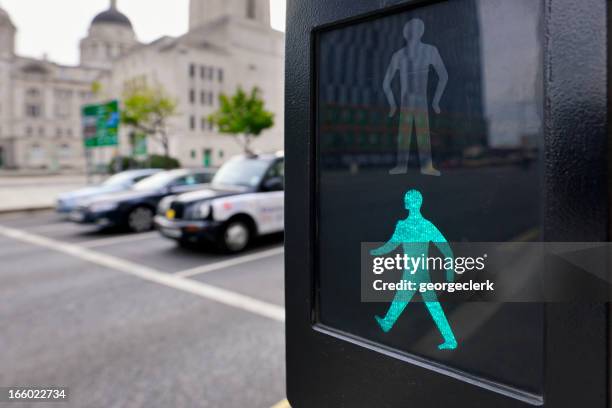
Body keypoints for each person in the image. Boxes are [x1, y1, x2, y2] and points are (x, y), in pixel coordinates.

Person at [370, 189, 457, 349]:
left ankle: (388, 323)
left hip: (414, 272)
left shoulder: (404, 226)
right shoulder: (425, 225)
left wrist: (376, 252)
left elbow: (390, 245)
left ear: (410, 204)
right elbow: (447, 250)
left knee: (416, 301)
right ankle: (388, 323)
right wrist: (450, 273)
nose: (405, 202)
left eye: (407, 199)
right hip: (419, 272)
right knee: (412, 300)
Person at [382, 19, 448, 176]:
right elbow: (386, 83)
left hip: (418, 100)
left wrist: (436, 102)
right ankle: (406, 165)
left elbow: (443, 76)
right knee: (407, 134)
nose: (413, 33)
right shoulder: (399, 55)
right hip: (408, 101)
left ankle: (421, 166)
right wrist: (392, 105)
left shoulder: (430, 50)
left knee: (419, 134)